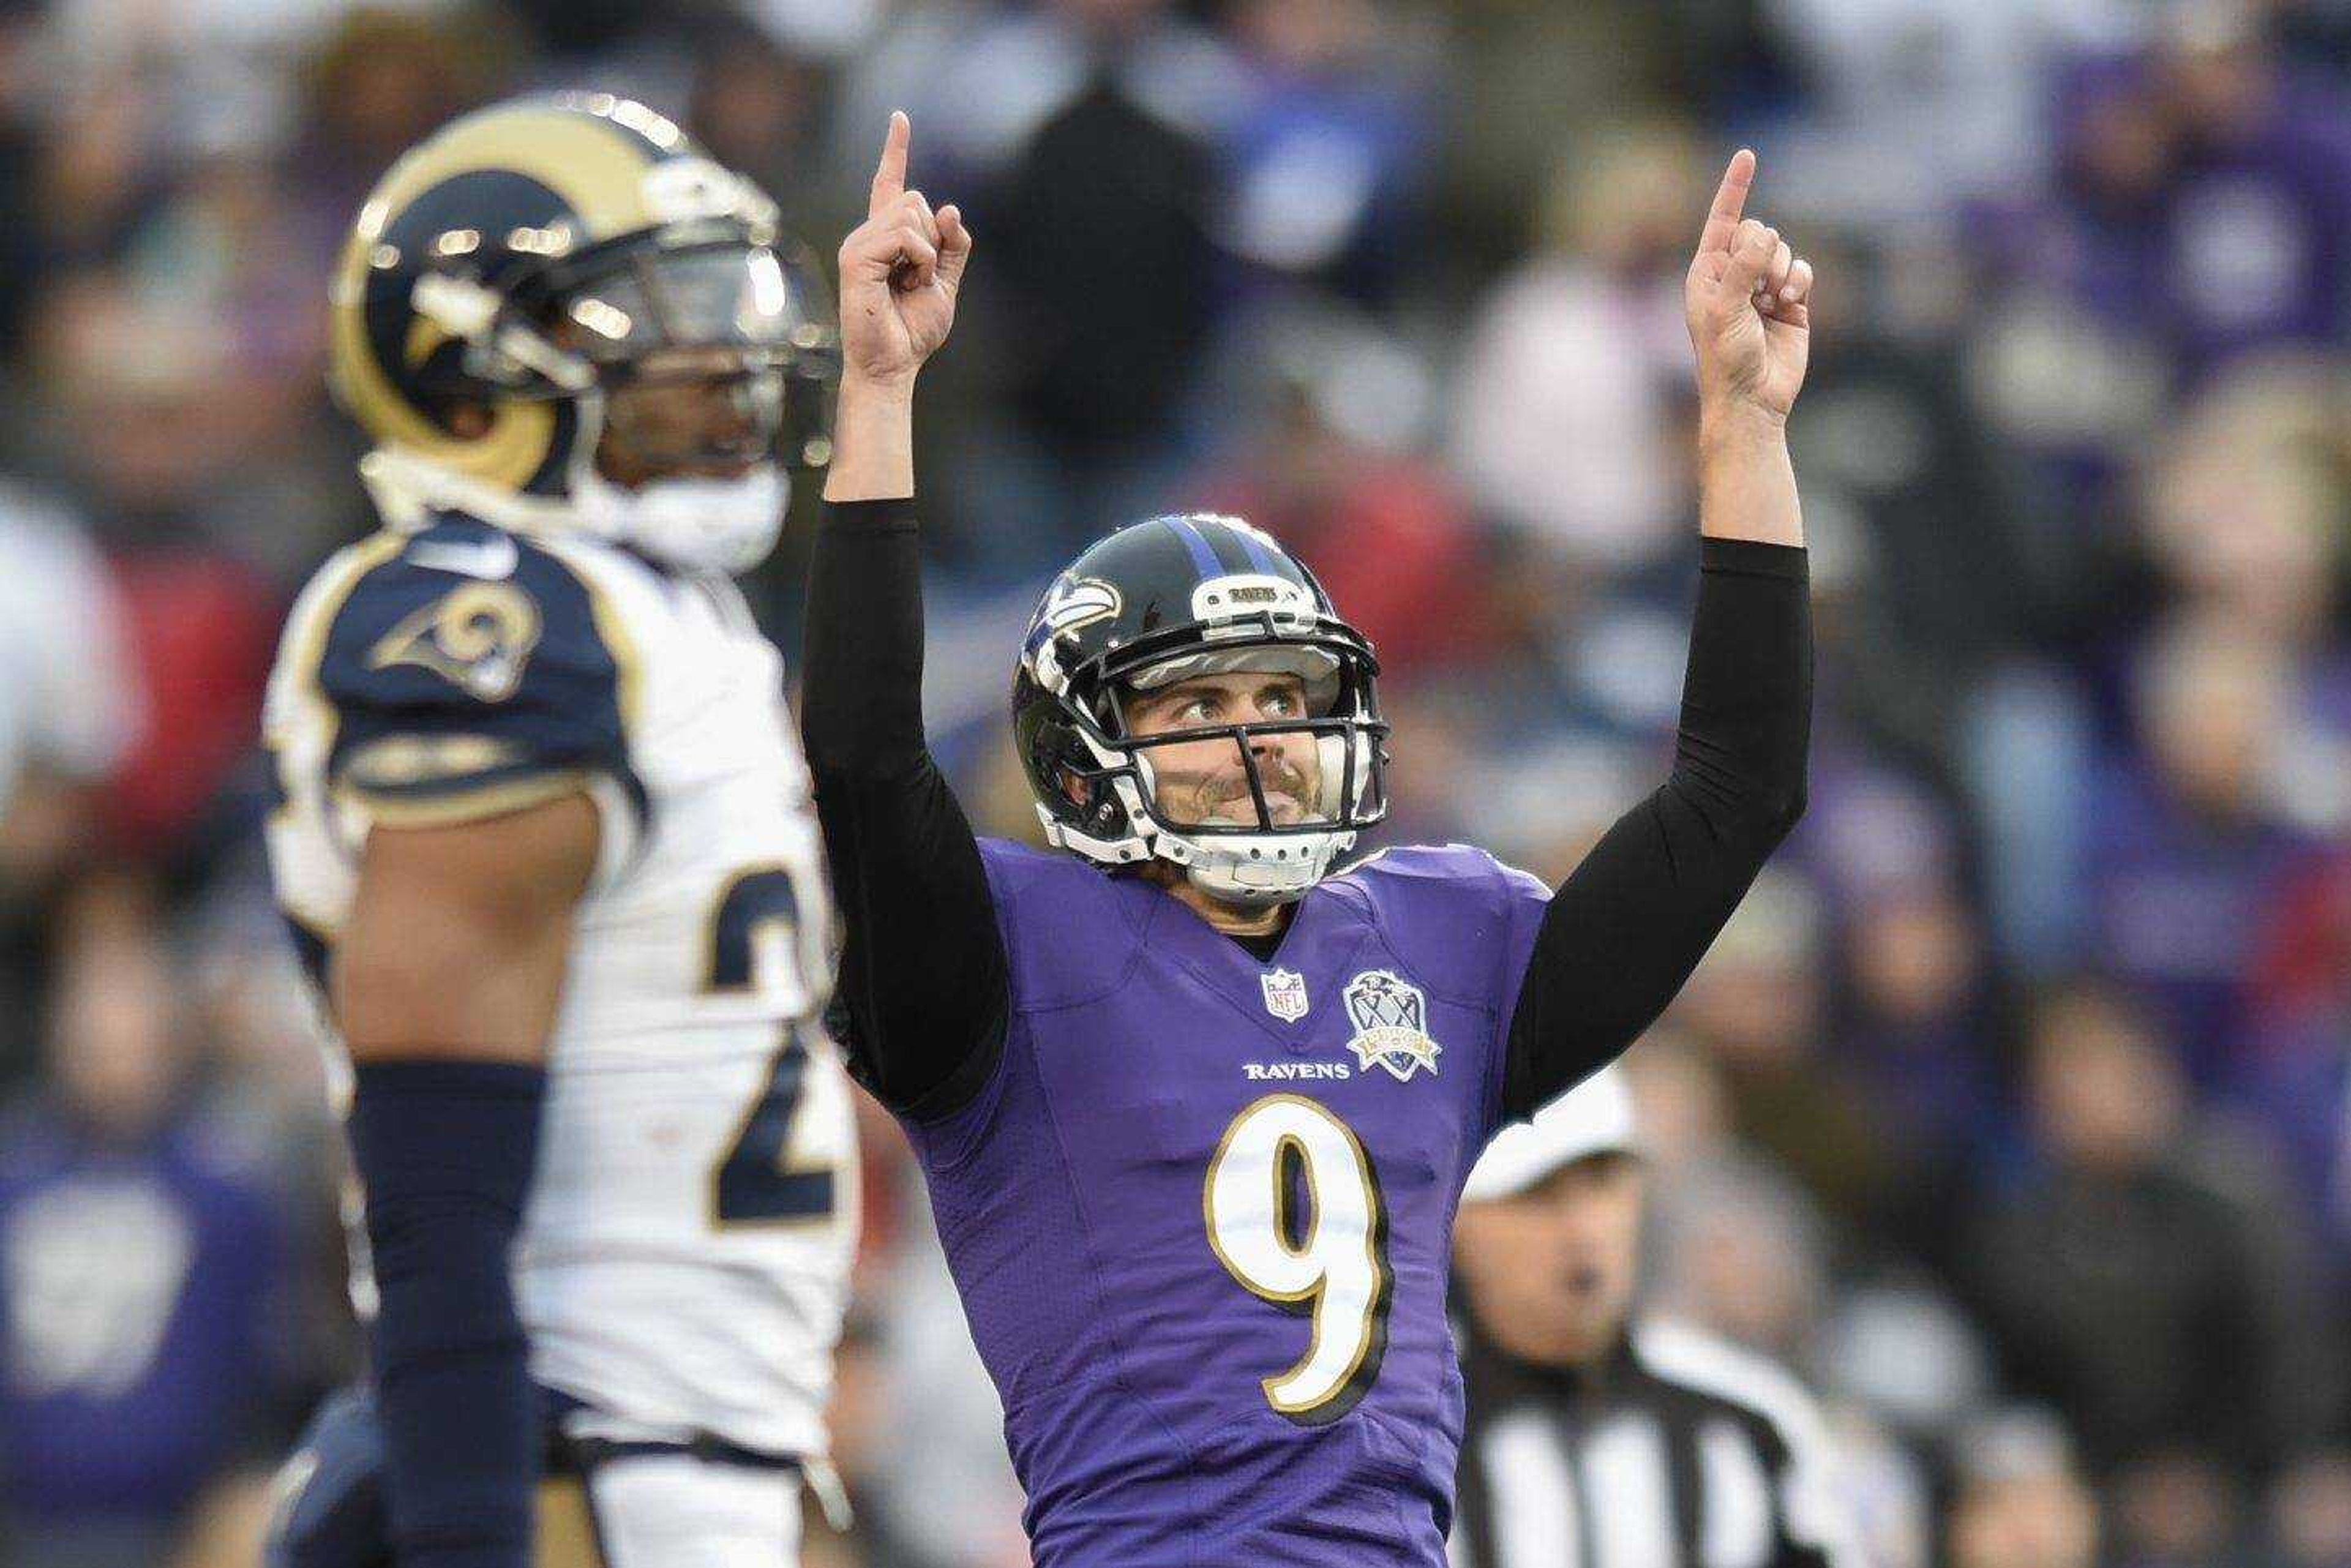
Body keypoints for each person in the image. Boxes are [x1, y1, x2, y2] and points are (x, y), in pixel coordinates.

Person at [804, 113, 1815, 1564]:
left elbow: (1740, 787)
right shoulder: (1006, 956)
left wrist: (1740, 427)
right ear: (1082, 752)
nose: (1260, 732)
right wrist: (881, 394)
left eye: (1282, 691)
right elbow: (859, 752)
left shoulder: (1442, 934)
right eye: (1200, 698)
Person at [259, 93, 855, 1567]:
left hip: (701, 1443)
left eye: (725, 306)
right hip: (570, 1454)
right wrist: (472, 1522)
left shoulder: (667, 609)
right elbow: (435, 1186)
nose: (722, 365)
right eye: (651, 322)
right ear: (471, 379)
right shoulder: (494, 620)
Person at [1448, 1067, 1859, 1568]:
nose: (1582, 1230)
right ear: (1459, 1224)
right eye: (1537, 1196)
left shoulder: (1751, 1417)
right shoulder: (1405, 1428)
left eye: (1602, 1184)